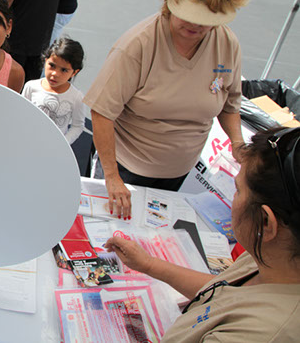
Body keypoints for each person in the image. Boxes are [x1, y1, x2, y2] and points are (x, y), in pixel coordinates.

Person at [84, 0, 249, 220]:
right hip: (128, 169)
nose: (196, 26)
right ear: (171, 0)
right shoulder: (139, 44)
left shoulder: (227, 42)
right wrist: (112, 177)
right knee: (111, 232)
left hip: (180, 171)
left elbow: (230, 102)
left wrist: (237, 141)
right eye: (190, 15)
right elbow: (102, 111)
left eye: (206, 20)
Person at [105, 127, 300, 342]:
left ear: (265, 222)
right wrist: (149, 264)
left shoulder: (255, 335)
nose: (232, 200)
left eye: (238, 190)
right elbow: (223, 293)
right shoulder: (278, 257)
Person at [21, 38, 85, 145]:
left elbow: (78, 125)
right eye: (52, 65)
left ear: (74, 72)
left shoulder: (76, 97)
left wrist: (64, 143)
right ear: (46, 60)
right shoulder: (31, 86)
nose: (55, 73)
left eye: (64, 70)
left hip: (54, 149)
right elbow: (22, 113)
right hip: (27, 142)